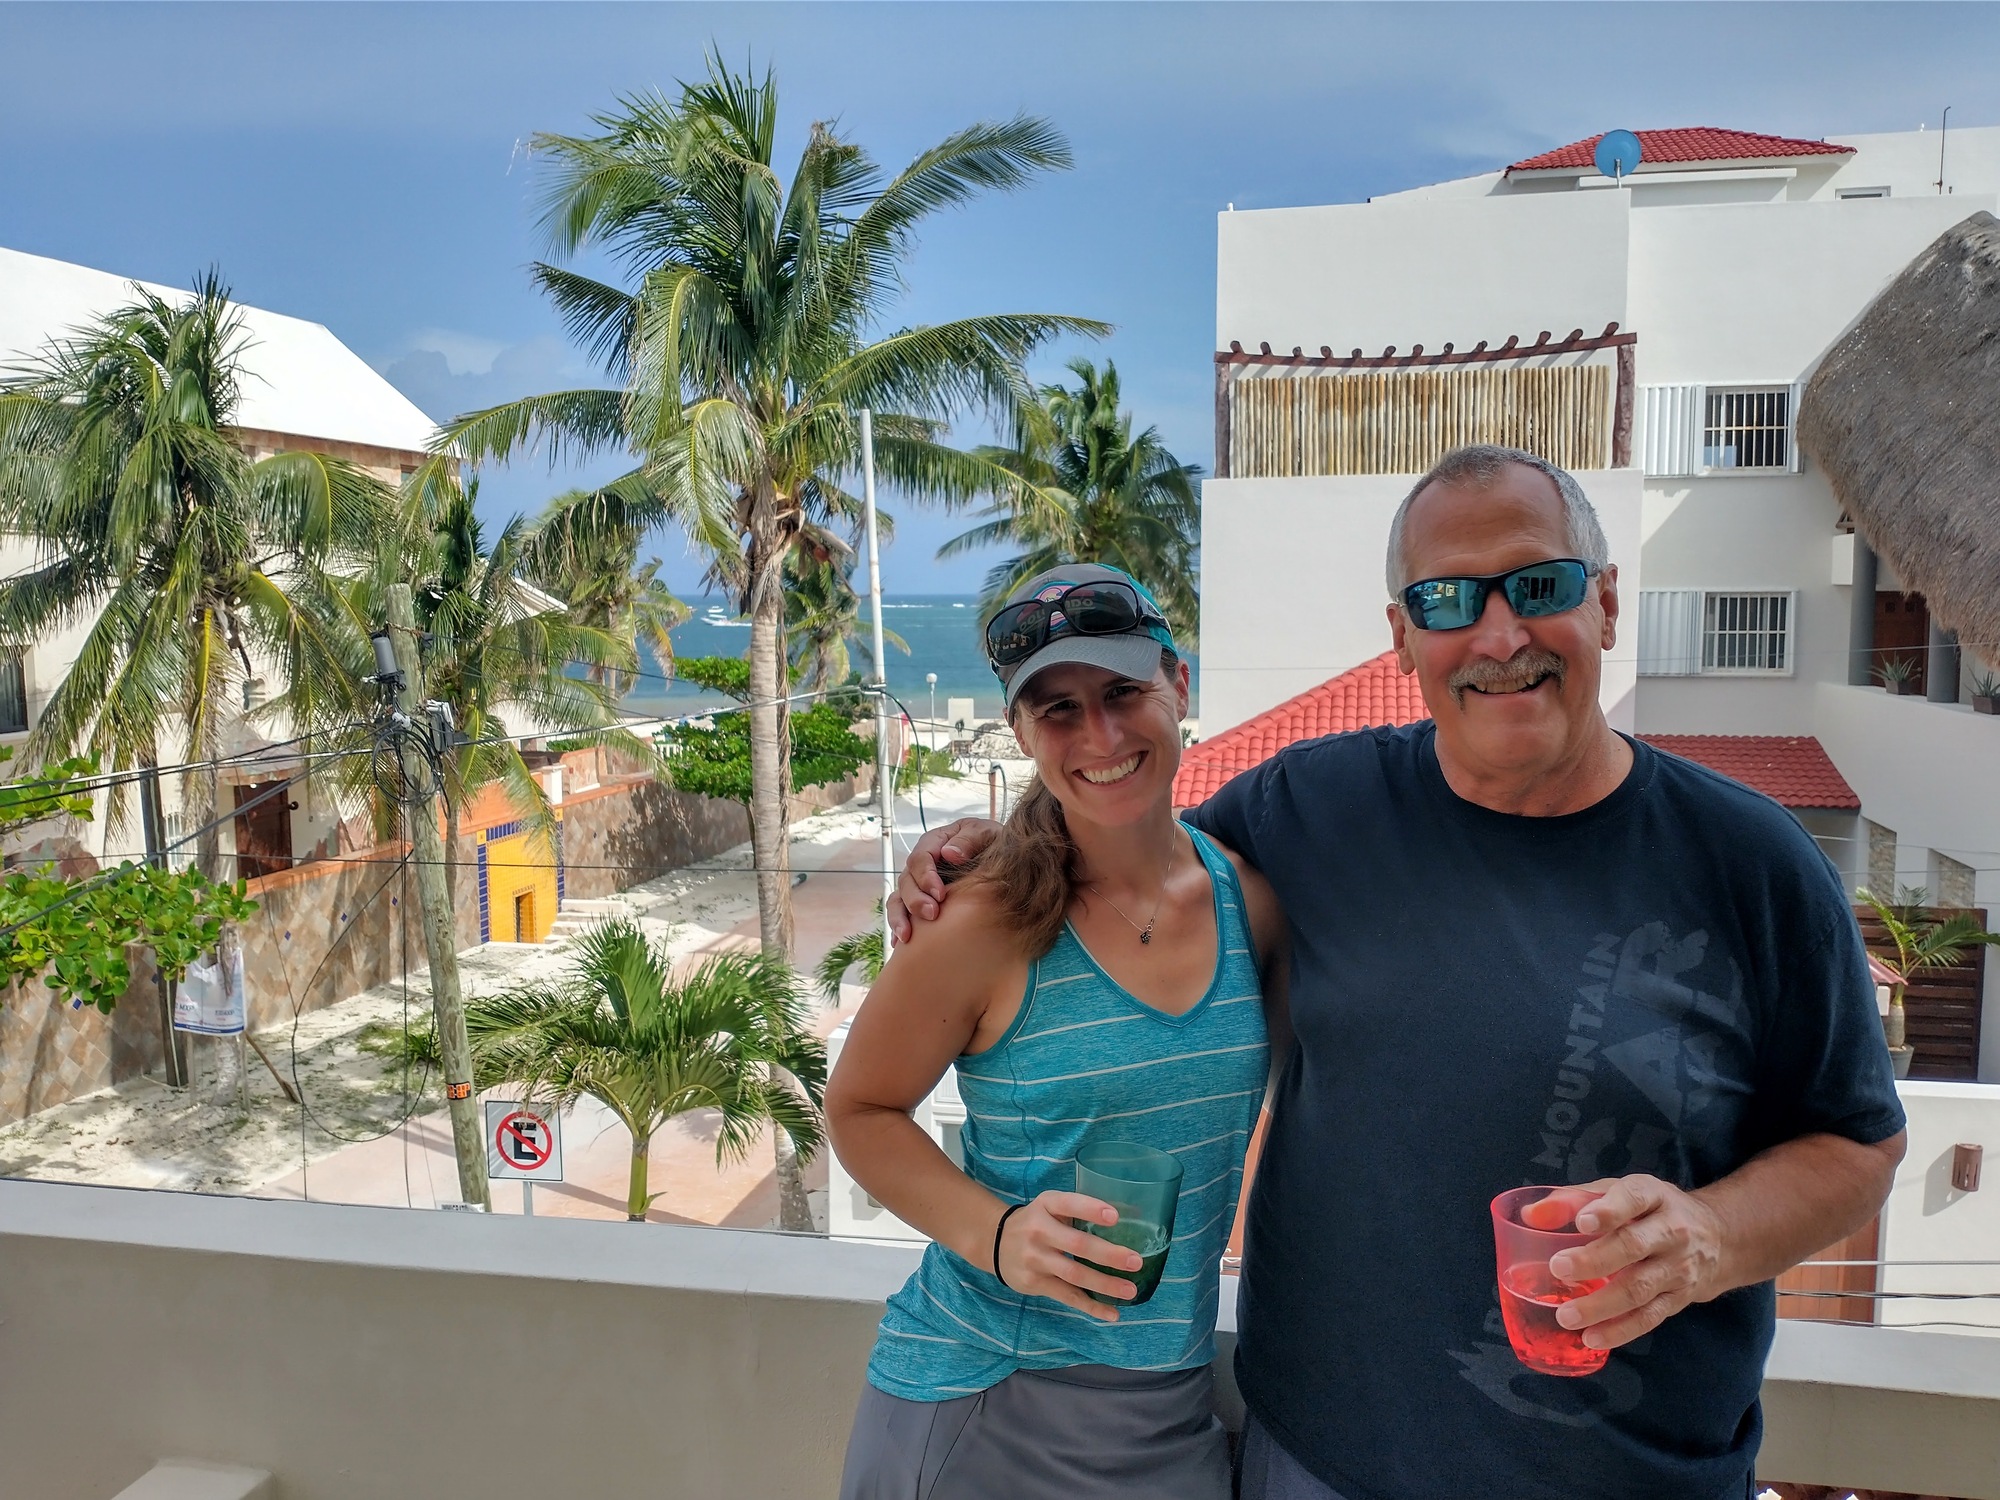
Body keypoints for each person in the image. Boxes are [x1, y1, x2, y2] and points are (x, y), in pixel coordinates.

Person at [891, 447, 1907, 1500]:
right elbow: (1124, 853)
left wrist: (1708, 1236)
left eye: (1540, 586)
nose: (1499, 635)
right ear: (1403, 637)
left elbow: (1857, 1143)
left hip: (1634, 1478)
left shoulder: (1751, 861)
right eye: (1448, 601)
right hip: (1314, 1465)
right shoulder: (1307, 809)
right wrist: (979, 852)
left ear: (1604, 604)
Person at [828, 563, 1289, 1500]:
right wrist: (997, 1236)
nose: (1102, 735)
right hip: (985, 1393)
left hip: (1169, 1399)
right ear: (1021, 733)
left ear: (1179, 685)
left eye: (1123, 693)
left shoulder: (1251, 904)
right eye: (1060, 711)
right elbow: (861, 1108)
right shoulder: (982, 920)